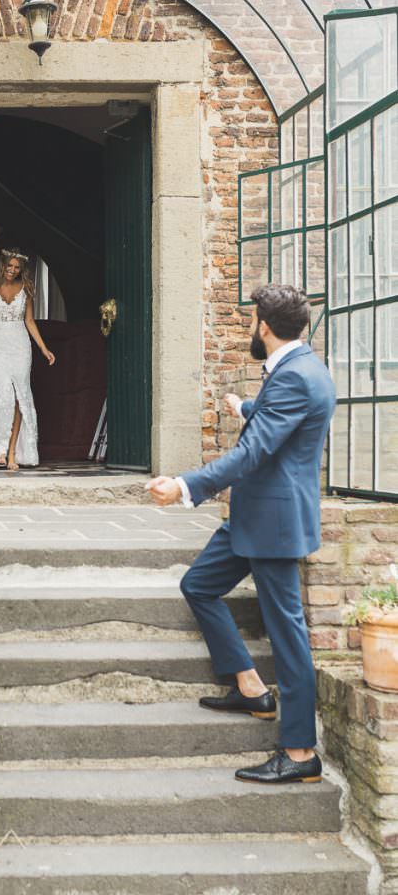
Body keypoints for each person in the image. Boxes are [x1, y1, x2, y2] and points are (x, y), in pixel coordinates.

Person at [146, 284, 336, 784]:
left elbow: (254, 453)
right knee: (198, 586)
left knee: (288, 636)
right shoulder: (302, 369)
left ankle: (299, 754)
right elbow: (278, 423)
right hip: (253, 518)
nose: (252, 328)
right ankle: (250, 687)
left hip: (273, 525)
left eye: (253, 320)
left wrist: (186, 485)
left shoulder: (294, 377)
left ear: (264, 326)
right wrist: (249, 408)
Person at [0, 248, 55, 471]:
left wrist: (44, 348)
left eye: (16, 268)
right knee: (2, 395)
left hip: (20, 345)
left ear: (21, 270)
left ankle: (12, 453)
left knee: (20, 397)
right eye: (9, 266)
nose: (12, 271)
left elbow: (29, 320)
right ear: (2, 265)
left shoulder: (25, 289)